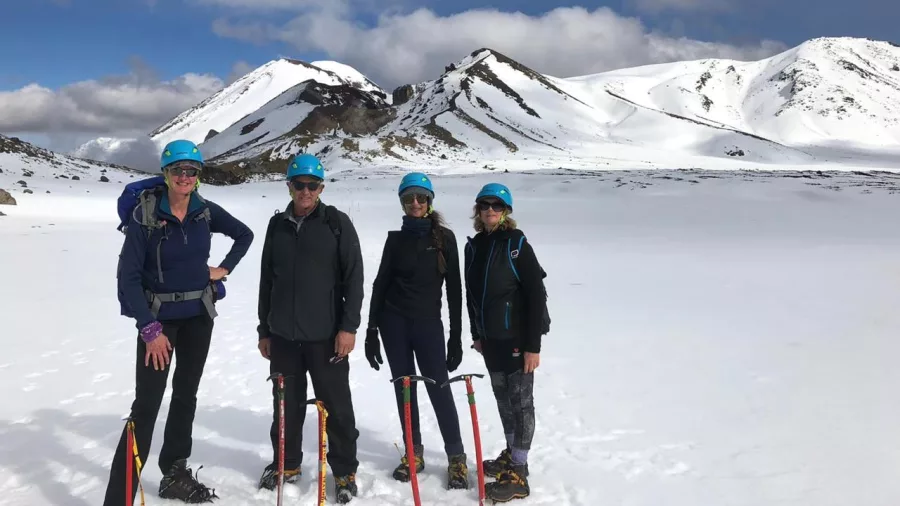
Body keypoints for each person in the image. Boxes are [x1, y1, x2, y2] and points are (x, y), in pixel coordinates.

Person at [104, 139, 254, 505]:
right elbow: (128, 278)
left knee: (186, 396)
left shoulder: (204, 211)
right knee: (147, 404)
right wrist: (148, 327)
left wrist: (224, 269)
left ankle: (174, 472)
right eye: (177, 170)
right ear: (166, 173)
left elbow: (244, 234)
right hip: (159, 326)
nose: (184, 177)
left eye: (191, 171)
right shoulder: (146, 214)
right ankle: (119, 496)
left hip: (199, 318)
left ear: (198, 176)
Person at [256, 153, 364, 504]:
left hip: (326, 337)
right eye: (299, 184)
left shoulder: (336, 223)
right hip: (284, 337)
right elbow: (267, 282)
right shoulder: (277, 226)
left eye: (312, 185)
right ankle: (287, 464)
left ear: (321, 187)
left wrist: (348, 328)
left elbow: (354, 279)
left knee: (337, 407)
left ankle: (345, 472)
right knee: (285, 405)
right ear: (289, 185)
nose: (305, 191)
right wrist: (264, 329)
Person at [364, 172, 469, 489]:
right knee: (404, 389)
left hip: (428, 326)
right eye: (408, 198)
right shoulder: (395, 239)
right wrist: (371, 330)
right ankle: (413, 454)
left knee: (440, 388)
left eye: (421, 198)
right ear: (402, 201)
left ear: (429, 201)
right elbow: (380, 284)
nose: (415, 203)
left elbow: (454, 291)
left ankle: (456, 459)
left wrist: (455, 337)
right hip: (393, 323)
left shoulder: (444, 239)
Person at [464, 183, 546, 503]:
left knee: (521, 402)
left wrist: (533, 346)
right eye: (485, 205)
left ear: (506, 211)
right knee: (502, 400)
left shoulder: (516, 243)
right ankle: (512, 455)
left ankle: (520, 472)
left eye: (497, 206)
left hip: (516, 339)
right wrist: (476, 334)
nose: (490, 211)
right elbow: (471, 296)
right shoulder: (474, 247)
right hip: (491, 340)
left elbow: (535, 293)